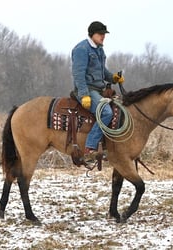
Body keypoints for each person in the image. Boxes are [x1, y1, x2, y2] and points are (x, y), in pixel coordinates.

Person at [71, 21, 124, 160]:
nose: (103, 37)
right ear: (92, 34)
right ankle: (90, 148)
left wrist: (113, 78)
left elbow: (102, 71)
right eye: (100, 34)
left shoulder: (99, 49)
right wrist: (84, 95)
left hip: (98, 89)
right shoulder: (81, 49)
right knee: (106, 112)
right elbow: (78, 74)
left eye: (104, 34)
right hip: (87, 90)